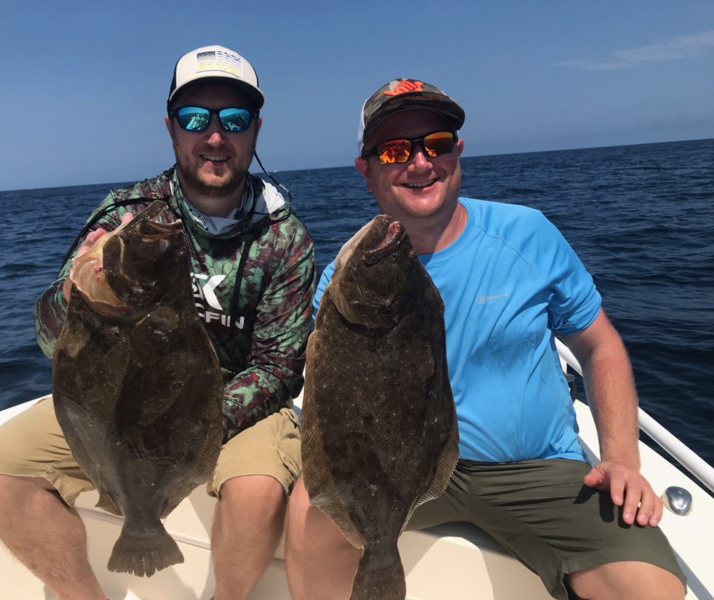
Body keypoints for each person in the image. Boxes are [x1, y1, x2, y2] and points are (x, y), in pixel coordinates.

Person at [284, 78, 686, 600]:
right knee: (307, 511)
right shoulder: (348, 272)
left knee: (652, 588)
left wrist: (621, 459)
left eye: (437, 143)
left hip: (535, 468)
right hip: (405, 468)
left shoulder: (528, 234)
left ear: (458, 151)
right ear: (366, 171)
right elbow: (329, 395)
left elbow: (599, 343)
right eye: (395, 149)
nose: (421, 162)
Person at [0, 45, 316, 600]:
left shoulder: (283, 237)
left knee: (256, 493)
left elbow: (279, 366)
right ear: (172, 128)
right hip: (114, 403)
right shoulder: (125, 216)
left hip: (230, 408)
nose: (215, 136)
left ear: (254, 130)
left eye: (234, 119)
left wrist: (194, 427)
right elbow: (49, 339)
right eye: (195, 118)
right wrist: (75, 291)